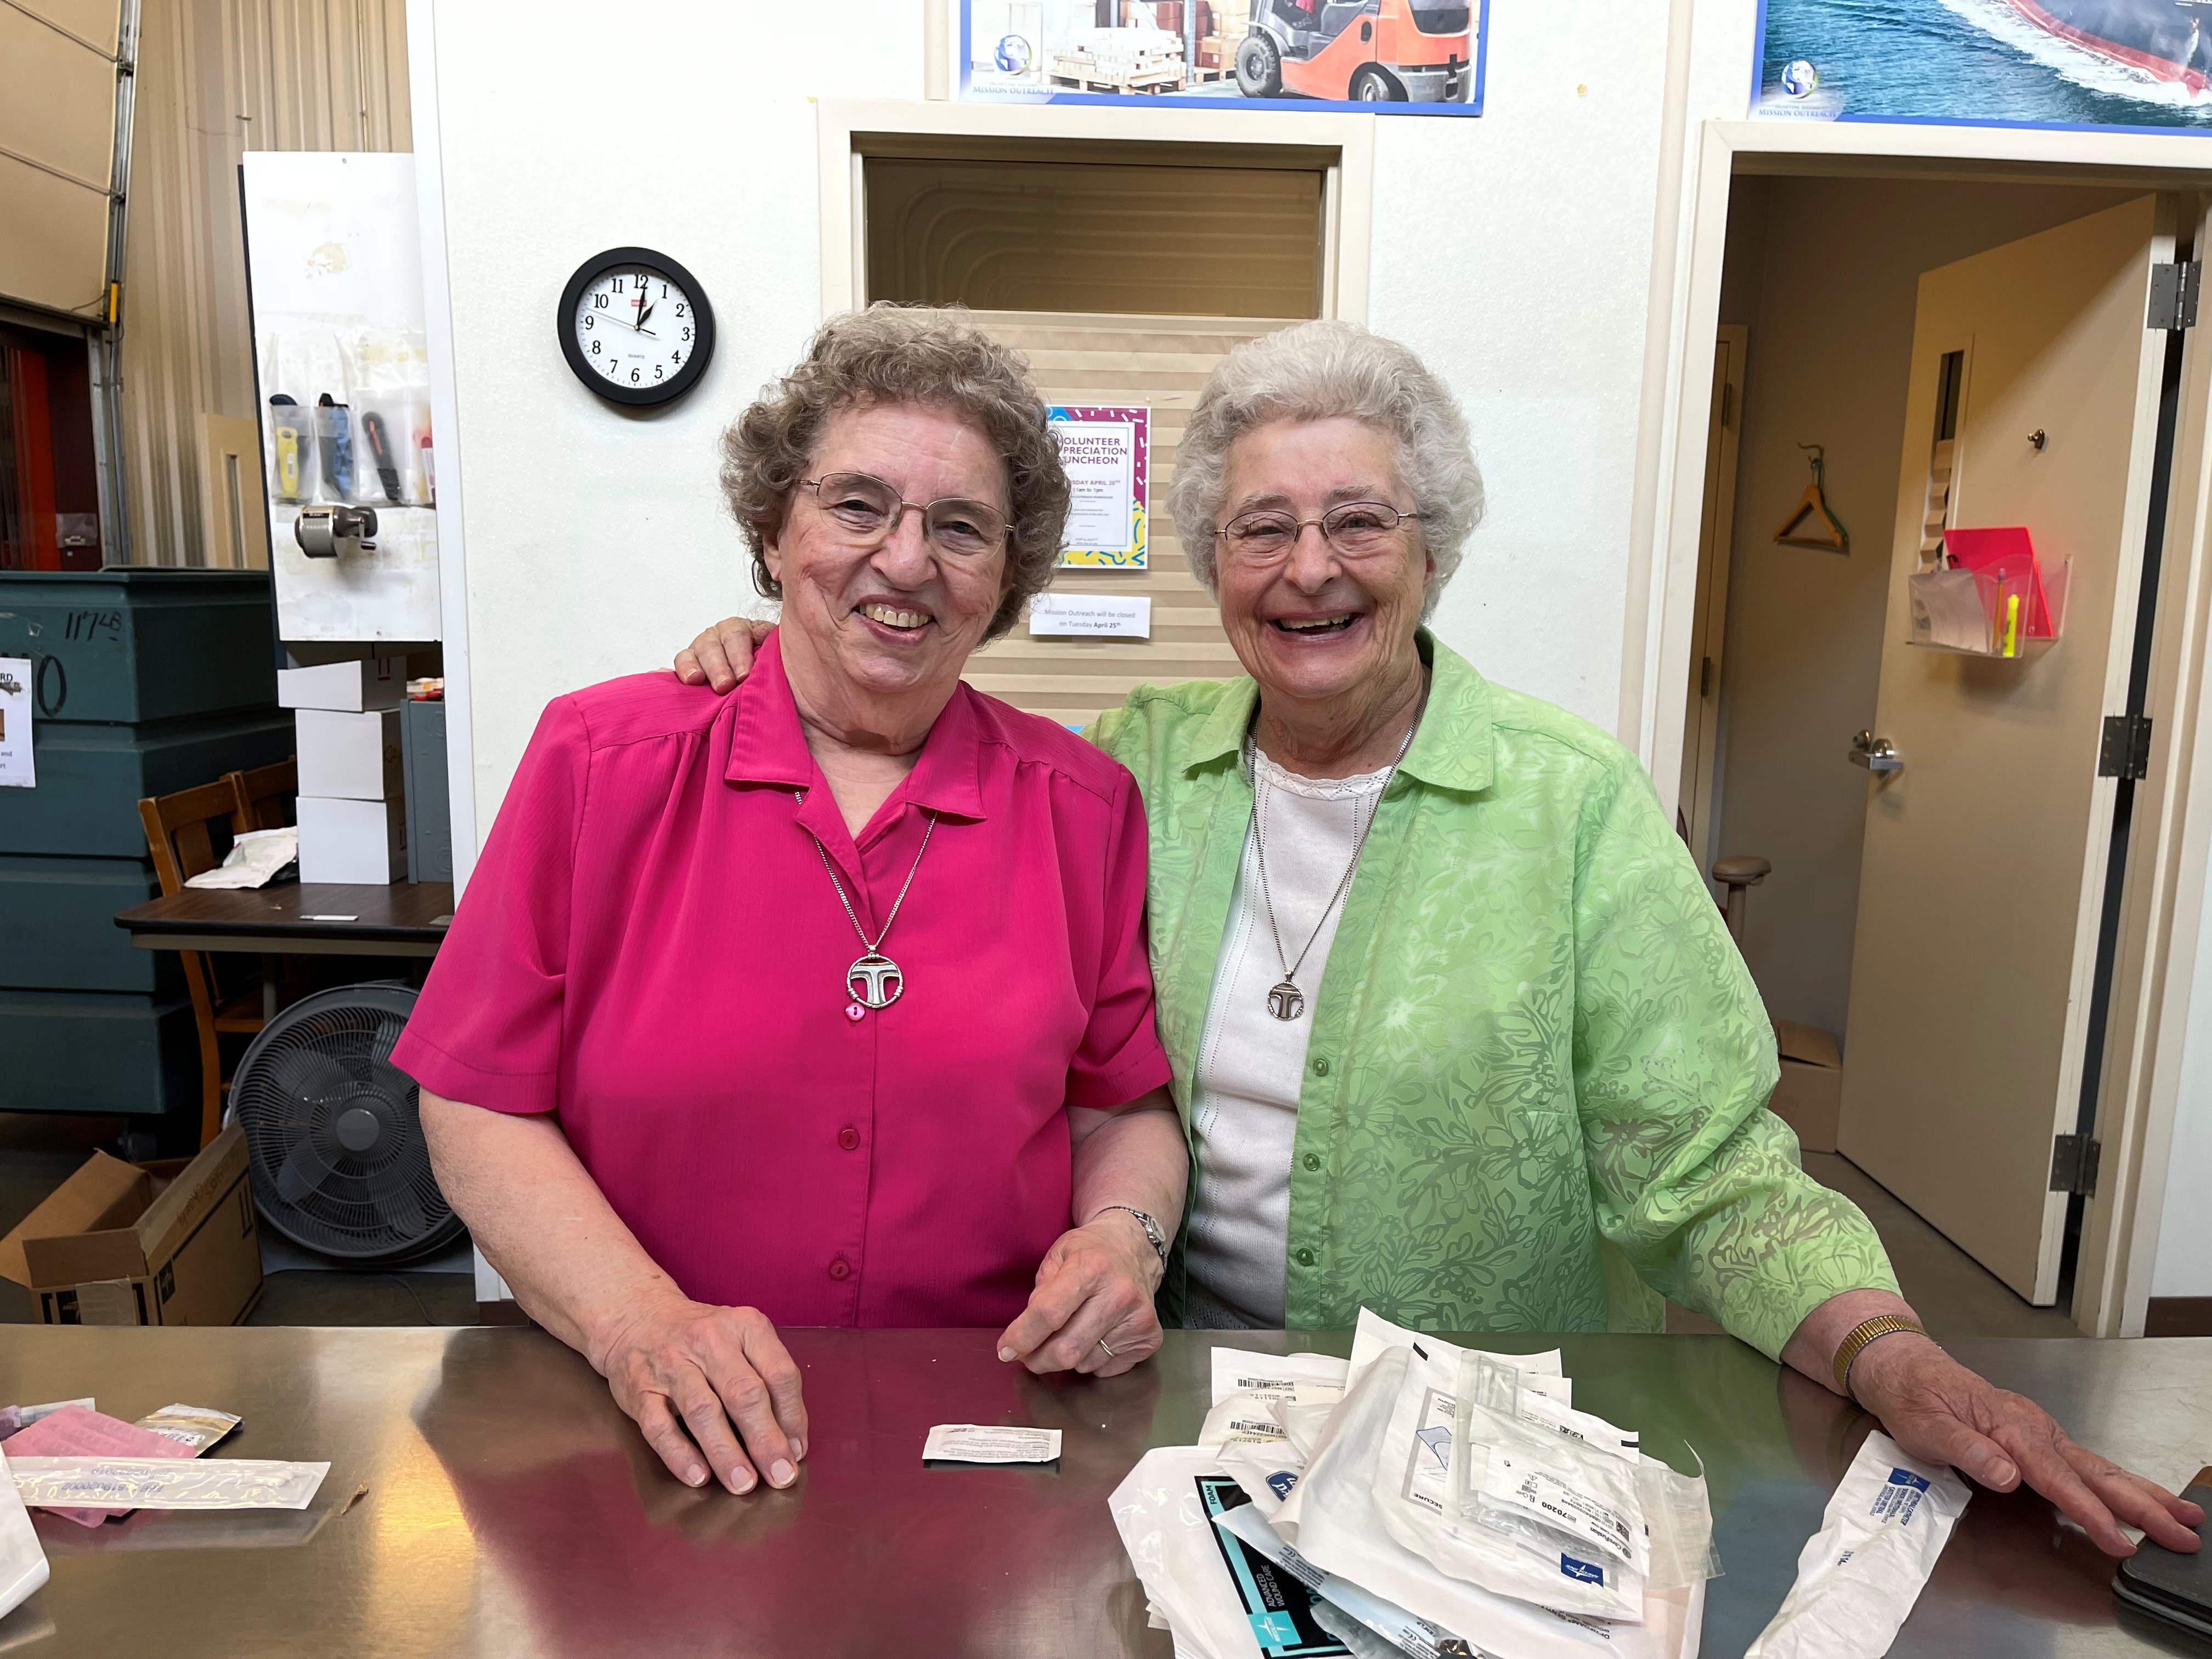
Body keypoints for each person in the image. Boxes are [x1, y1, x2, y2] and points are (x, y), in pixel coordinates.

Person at [676, 318, 2203, 1559]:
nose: (1312, 566)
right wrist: (773, 675)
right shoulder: (1133, 767)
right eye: (1262, 528)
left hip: (1499, 1458)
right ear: (1213, 563)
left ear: (1433, 550)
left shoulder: (1572, 801)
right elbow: (931, 758)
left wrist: (1895, 1358)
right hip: (1176, 1426)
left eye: (1360, 521)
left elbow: (1713, 1169)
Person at [397, 308, 1188, 1502]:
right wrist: (637, 1325)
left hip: (988, 1440)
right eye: (858, 506)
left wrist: (1128, 1239)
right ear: (775, 533)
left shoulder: (1083, 805)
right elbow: (473, 1101)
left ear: (1006, 580)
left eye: (961, 528)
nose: (908, 561)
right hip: (644, 1427)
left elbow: (1119, 1107)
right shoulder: (603, 761)